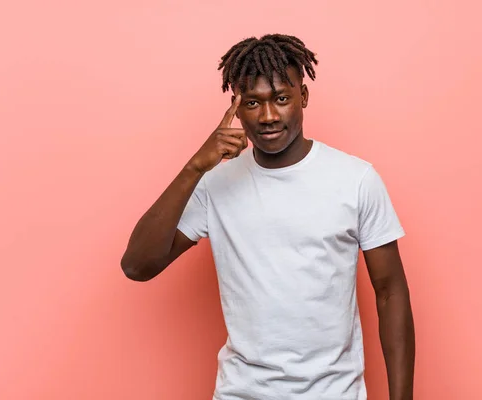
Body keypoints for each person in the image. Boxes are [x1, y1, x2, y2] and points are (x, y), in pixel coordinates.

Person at [121, 33, 415, 400]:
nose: (269, 116)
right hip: (242, 392)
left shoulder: (356, 180)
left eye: (281, 98)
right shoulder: (216, 185)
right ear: (235, 107)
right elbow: (137, 265)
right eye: (253, 102)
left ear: (303, 98)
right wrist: (194, 168)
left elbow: (390, 292)